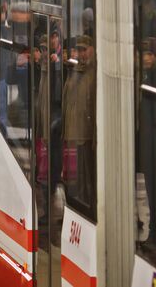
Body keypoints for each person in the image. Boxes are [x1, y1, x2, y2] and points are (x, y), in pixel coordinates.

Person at [61, 35, 97, 210]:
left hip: (86, 134)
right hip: (73, 132)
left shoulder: (94, 73)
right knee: (76, 178)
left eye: (84, 49)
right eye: (79, 50)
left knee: (86, 177)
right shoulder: (75, 71)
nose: (81, 54)